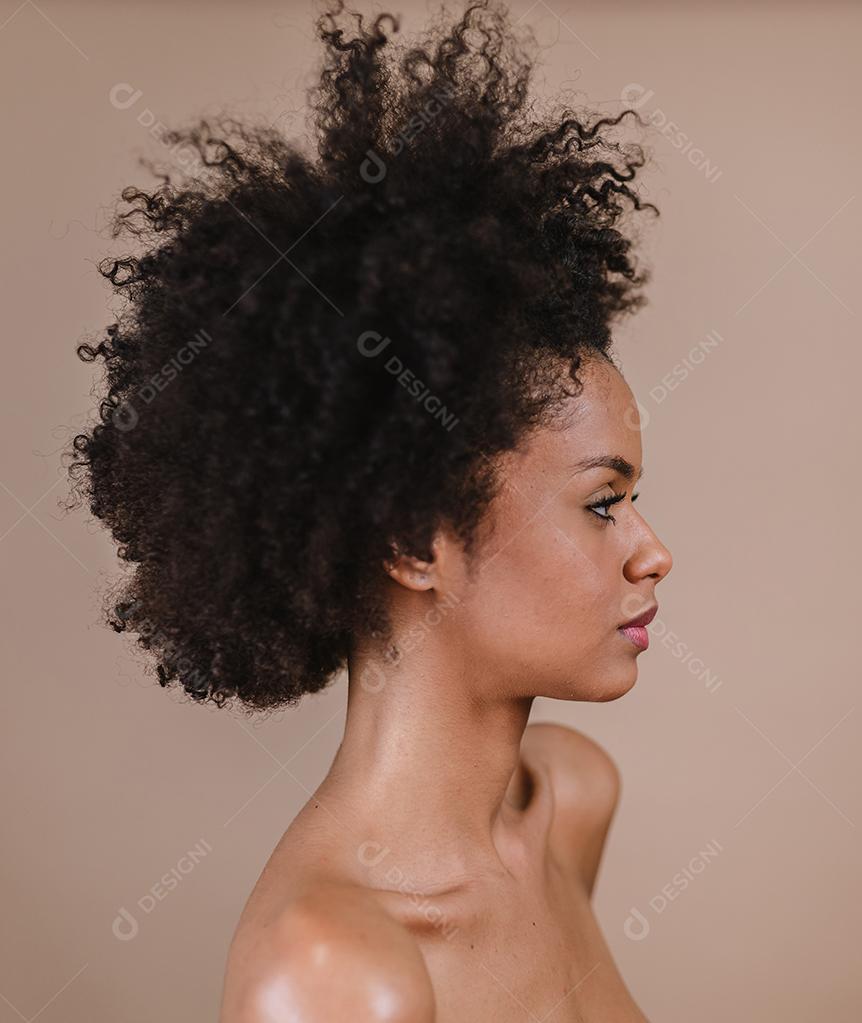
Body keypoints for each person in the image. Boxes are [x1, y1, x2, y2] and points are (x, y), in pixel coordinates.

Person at [66, 0, 674, 1018]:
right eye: (603, 503)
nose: (654, 553)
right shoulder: (334, 973)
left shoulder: (568, 803)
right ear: (413, 542)